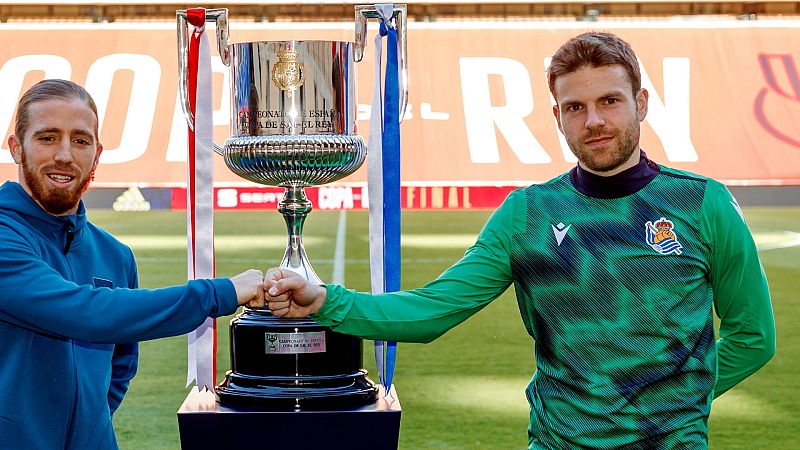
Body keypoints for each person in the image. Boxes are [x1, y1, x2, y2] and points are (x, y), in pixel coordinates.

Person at [264, 32, 776, 448]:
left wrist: (674, 402)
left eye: (610, 101)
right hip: (558, 442)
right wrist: (329, 302)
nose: (594, 120)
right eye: (575, 107)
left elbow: (754, 337)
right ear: (557, 117)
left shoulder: (703, 204)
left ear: (640, 103)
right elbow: (432, 311)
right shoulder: (526, 213)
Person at [0, 79, 267, 449]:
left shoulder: (115, 254)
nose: (65, 154)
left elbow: (122, 364)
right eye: (47, 137)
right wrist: (222, 292)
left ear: (96, 153)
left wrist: (89, 431)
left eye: (80, 140)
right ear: (16, 147)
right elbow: (85, 312)